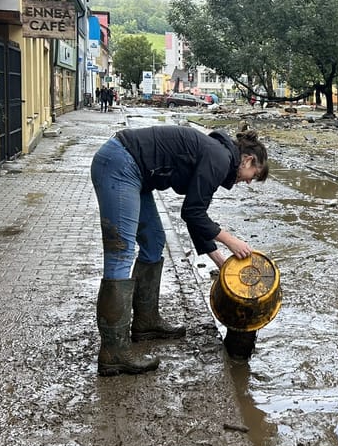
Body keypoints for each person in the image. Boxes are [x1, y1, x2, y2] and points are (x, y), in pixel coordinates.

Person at [89, 125, 269, 376]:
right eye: (253, 174)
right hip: (120, 164)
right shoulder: (219, 158)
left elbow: (194, 213)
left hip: (134, 170)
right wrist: (231, 241)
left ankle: (145, 322)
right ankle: (113, 352)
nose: (248, 181)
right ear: (248, 159)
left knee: (153, 240)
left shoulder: (218, 155)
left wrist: (219, 259)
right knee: (121, 250)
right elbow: (193, 212)